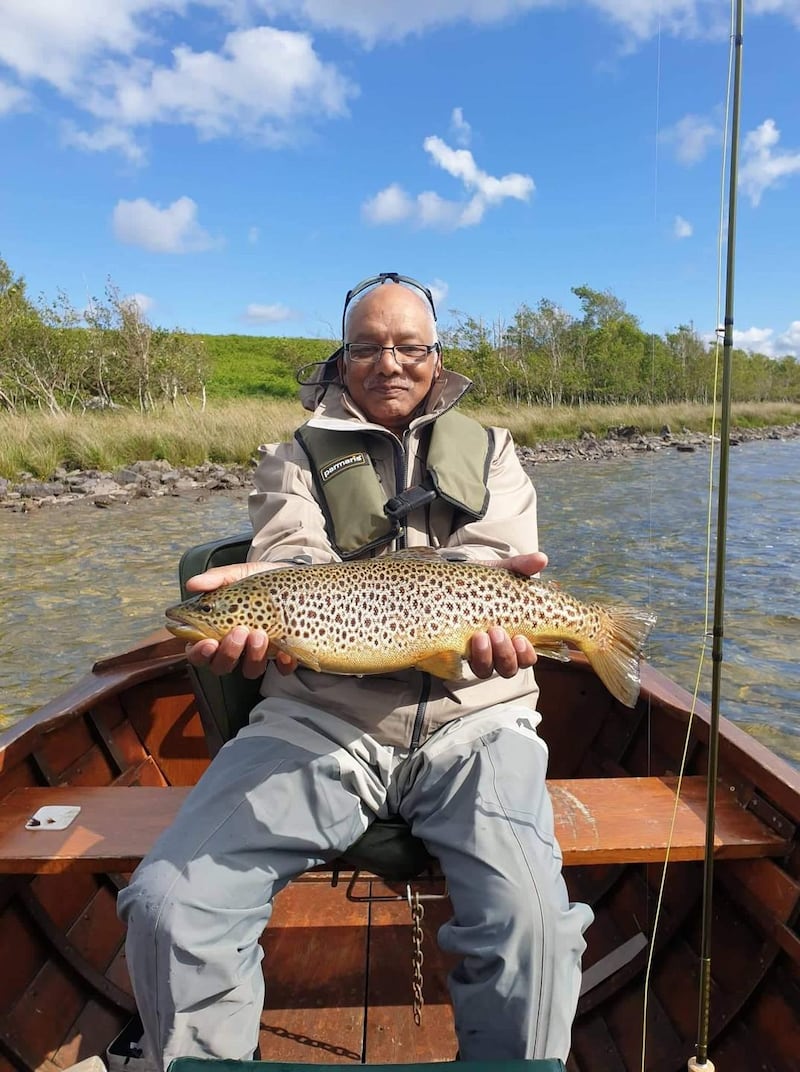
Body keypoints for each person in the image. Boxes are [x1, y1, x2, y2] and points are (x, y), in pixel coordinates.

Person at [118, 272, 593, 1068]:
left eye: (410, 346)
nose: (390, 361)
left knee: (536, 929)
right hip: (318, 722)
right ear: (342, 360)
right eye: (368, 346)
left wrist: (505, 622)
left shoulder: (496, 450)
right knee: (168, 907)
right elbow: (292, 556)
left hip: (477, 719)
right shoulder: (292, 457)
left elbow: (488, 566)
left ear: (437, 358)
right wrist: (263, 600)